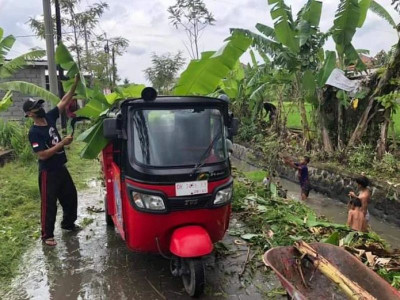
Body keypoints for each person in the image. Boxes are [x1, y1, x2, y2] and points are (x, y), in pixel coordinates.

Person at [24, 75, 80, 246]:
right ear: (29, 114)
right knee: (49, 204)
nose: (39, 108)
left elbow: (63, 101)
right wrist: (62, 143)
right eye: (35, 107)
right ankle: (47, 235)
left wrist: (74, 84)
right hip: (48, 171)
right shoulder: (34, 132)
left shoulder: (49, 118)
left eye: (39, 105)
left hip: (60, 168)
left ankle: (68, 224)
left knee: (71, 196)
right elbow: (42, 155)